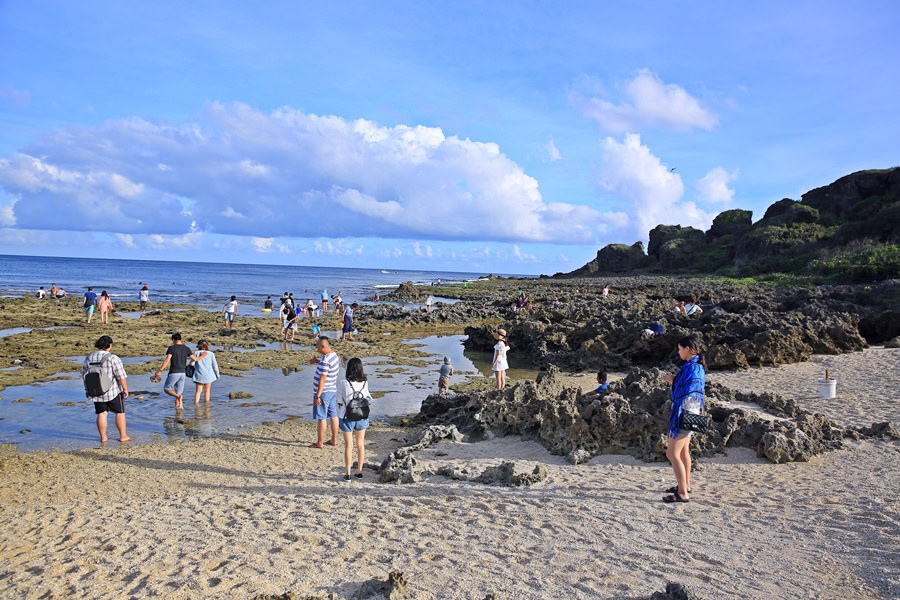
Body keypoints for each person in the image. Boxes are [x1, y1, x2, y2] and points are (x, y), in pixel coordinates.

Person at [660, 335, 707, 503]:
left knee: (672, 453)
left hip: (685, 413)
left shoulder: (693, 368)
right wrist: (674, 380)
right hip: (692, 412)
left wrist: (674, 381)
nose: (678, 352)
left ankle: (682, 493)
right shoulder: (696, 366)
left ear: (688, 349)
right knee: (683, 451)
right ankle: (685, 485)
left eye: (680, 348)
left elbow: (688, 390)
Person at [82, 335, 131, 443]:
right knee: (120, 412)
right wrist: (125, 389)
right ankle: (123, 436)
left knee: (102, 413)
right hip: (112, 390)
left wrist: (87, 390)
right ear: (109, 345)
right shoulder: (113, 358)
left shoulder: (89, 358)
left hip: (96, 391)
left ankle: (103, 437)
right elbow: (121, 376)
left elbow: (84, 375)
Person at [338, 357, 372, 481]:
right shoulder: (365, 382)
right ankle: (359, 472)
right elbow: (367, 396)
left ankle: (347, 473)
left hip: (347, 416)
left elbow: (339, 401)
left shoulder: (343, 383)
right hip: (362, 415)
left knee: (349, 445)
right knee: (360, 445)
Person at [308, 336, 341, 448]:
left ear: (322, 346)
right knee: (333, 415)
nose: (316, 347)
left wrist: (318, 396)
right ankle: (334, 440)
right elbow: (327, 367)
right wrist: (317, 361)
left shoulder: (325, 360)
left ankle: (320, 442)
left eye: (317, 345)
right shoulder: (334, 356)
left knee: (322, 417)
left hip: (324, 392)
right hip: (332, 390)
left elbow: (323, 378)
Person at [154, 333, 192, 408]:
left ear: (173, 340)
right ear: (180, 339)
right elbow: (194, 359)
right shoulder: (186, 348)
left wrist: (160, 370)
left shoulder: (172, 348)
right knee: (179, 393)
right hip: (183, 373)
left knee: (167, 389)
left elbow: (167, 360)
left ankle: (177, 396)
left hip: (174, 372)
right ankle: (179, 411)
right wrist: (203, 356)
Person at [188, 340, 220, 404]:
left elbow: (192, 364)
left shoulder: (196, 353)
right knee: (207, 391)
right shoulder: (211, 354)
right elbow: (214, 365)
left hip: (199, 375)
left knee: (198, 391)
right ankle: (207, 407)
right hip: (209, 375)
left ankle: (196, 406)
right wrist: (217, 375)